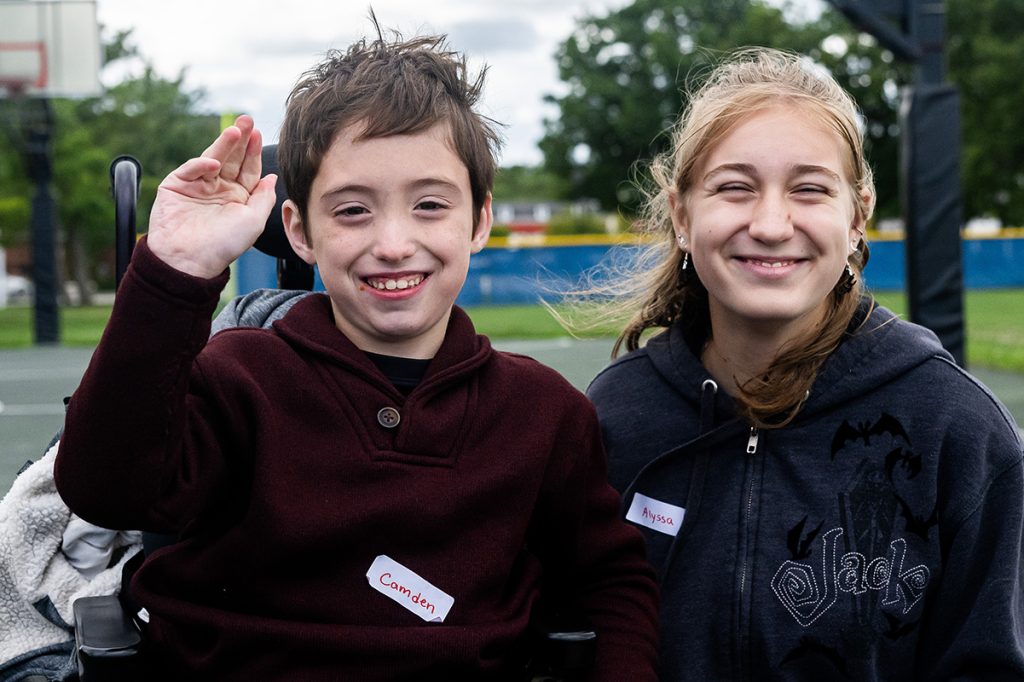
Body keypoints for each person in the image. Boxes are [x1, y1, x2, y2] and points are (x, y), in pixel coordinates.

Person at [53, 27, 659, 681]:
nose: (394, 242)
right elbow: (105, 488)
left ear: (480, 220)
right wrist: (176, 272)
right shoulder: (238, 378)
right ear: (298, 230)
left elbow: (610, 581)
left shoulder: (542, 413)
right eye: (352, 211)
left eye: (429, 204)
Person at [583, 47, 1024, 680]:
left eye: (809, 189)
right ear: (682, 217)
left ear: (856, 217)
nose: (769, 224)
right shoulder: (614, 420)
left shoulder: (958, 429)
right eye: (734, 188)